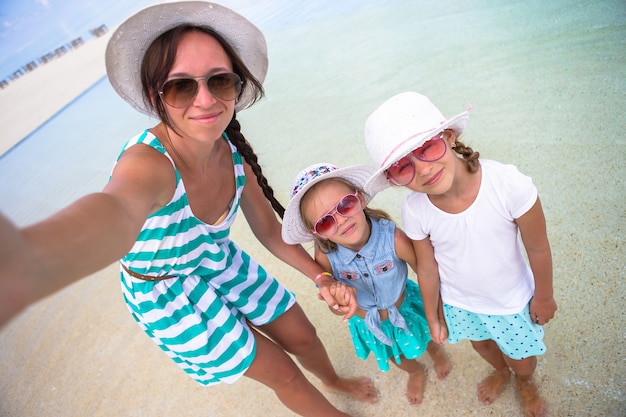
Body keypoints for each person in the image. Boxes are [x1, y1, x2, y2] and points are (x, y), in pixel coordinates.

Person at [0, 2, 381, 416]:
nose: (206, 99)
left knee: (303, 334)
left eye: (220, 81)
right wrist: (35, 256)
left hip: (214, 260)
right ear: (154, 96)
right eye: (182, 87)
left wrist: (323, 278)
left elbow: (270, 233)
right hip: (165, 291)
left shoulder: (233, 155)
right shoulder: (149, 164)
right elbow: (113, 212)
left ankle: (333, 380)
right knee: (284, 374)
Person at [363, 91, 558, 417]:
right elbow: (426, 269)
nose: (423, 170)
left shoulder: (509, 184)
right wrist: (434, 315)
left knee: (522, 357)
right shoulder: (415, 209)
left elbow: (537, 247)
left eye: (427, 148)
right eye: (403, 167)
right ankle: (500, 371)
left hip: (510, 300)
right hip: (460, 302)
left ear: (449, 137)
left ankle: (525, 382)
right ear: (393, 180)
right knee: (481, 345)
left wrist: (544, 297)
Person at [281, 163, 452, 406]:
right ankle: (415, 371)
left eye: (345, 205)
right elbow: (335, 307)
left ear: (359, 198)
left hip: (404, 306)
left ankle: (437, 354)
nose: (340, 221)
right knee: (396, 356)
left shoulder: (393, 239)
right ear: (317, 233)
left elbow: (426, 272)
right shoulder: (325, 257)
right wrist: (338, 302)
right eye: (326, 222)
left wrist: (438, 313)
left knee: (426, 336)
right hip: (367, 322)